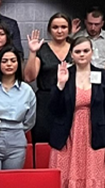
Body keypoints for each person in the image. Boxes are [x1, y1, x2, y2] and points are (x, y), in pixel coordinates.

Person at [49, 35, 105, 188]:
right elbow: (53, 109)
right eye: (78, 51)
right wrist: (60, 85)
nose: (82, 55)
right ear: (71, 54)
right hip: (67, 135)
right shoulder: (64, 74)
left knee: (93, 174)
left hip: (95, 134)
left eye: (86, 51)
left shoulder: (102, 76)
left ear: (92, 53)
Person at [0, 45, 36, 170]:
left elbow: (29, 121)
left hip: (16, 142)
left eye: (13, 61)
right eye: (4, 61)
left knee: (10, 184)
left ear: (18, 64)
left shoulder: (27, 90)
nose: (9, 64)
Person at [26, 13, 72, 145]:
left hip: (70, 98)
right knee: (44, 139)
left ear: (69, 29)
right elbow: (29, 77)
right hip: (46, 100)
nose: (59, 30)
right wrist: (33, 52)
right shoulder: (42, 49)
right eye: (55, 27)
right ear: (49, 30)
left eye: (63, 27)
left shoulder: (76, 49)